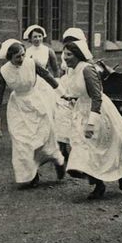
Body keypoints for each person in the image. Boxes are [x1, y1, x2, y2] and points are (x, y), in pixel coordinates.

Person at [62, 39, 122, 199]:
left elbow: (96, 96)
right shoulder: (70, 70)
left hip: (97, 111)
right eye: (64, 54)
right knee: (82, 147)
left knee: (103, 147)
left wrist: (92, 123)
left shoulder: (87, 69)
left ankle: (119, 173)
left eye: (69, 54)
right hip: (80, 111)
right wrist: (70, 97)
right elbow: (77, 90)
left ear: (77, 55)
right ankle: (98, 184)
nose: (65, 57)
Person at [0, 39, 66, 187]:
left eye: (23, 55)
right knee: (22, 142)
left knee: (44, 137)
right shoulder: (4, 72)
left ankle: (57, 161)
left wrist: (63, 94)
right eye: (18, 57)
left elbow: (48, 77)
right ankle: (31, 175)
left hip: (37, 102)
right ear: (9, 57)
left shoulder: (31, 63)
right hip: (17, 107)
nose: (21, 59)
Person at [56, 28, 87, 167]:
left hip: (78, 85)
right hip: (67, 84)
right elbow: (64, 69)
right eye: (68, 41)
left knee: (78, 120)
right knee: (62, 116)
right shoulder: (65, 54)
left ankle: (78, 151)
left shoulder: (83, 59)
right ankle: (62, 148)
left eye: (73, 41)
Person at [23, 25, 59, 112]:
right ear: (30, 39)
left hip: (45, 82)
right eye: (35, 37)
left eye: (40, 36)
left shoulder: (48, 51)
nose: (38, 39)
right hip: (32, 82)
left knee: (45, 107)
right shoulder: (26, 52)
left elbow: (55, 69)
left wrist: (57, 83)